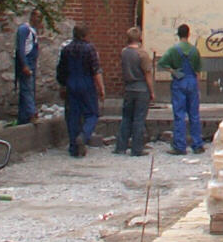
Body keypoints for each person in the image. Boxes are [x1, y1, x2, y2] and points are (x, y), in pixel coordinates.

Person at [55, 23, 104, 158]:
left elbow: (60, 70)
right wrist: (101, 89)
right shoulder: (90, 49)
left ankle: (73, 147)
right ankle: (84, 135)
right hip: (86, 83)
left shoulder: (66, 49)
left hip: (71, 83)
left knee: (72, 117)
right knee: (92, 114)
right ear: (85, 35)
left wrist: (62, 85)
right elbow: (95, 70)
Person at [159, 24, 206, 155]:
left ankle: (180, 146)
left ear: (178, 34)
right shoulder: (195, 51)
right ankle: (197, 145)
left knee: (179, 114)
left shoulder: (173, 50)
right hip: (192, 82)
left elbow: (161, 62)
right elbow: (198, 72)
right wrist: (198, 87)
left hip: (179, 81)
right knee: (194, 114)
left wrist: (172, 71)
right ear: (188, 34)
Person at [115, 26, 154, 157]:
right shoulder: (142, 54)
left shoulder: (124, 52)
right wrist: (152, 91)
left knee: (126, 118)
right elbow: (147, 74)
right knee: (139, 119)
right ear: (140, 38)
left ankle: (121, 146)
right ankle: (137, 148)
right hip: (141, 88)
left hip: (128, 88)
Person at [14, 8, 42, 125]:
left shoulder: (33, 31)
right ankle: (31, 113)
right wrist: (24, 65)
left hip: (31, 62)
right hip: (26, 63)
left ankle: (22, 118)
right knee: (27, 88)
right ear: (32, 16)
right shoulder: (24, 29)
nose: (38, 20)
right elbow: (21, 48)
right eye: (37, 17)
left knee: (26, 90)